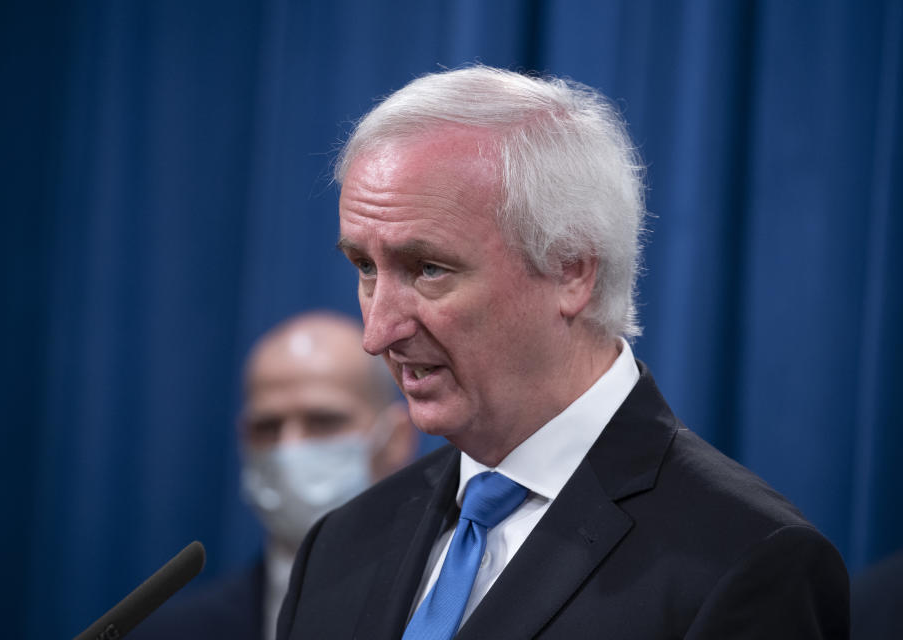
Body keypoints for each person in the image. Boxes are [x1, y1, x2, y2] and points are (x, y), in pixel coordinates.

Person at [276, 66, 849, 639]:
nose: (377, 333)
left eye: (428, 269)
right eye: (365, 268)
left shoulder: (745, 562)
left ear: (571, 270)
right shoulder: (340, 546)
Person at [134, 312, 415, 640]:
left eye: (323, 421)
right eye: (267, 427)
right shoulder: (171, 633)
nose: (289, 449)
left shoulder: (450, 608)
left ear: (396, 440)